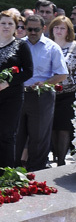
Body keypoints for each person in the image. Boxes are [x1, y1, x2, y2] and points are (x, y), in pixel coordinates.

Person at [0, 10, 33, 178]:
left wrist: (6, 83)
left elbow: (28, 71)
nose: (6, 26)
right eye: (3, 23)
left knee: (7, 135)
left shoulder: (21, 45)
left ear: (16, 26)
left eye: (10, 23)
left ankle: (7, 175)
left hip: (12, 96)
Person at [16, 15, 68, 171]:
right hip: (19, 94)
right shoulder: (17, 45)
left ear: (43, 28)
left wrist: (45, 83)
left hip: (41, 95)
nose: (32, 32)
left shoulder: (52, 47)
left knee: (39, 136)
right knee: (16, 135)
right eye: (29, 29)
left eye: (36, 29)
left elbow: (62, 74)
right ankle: (14, 170)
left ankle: (37, 172)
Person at [47, 16, 76, 166]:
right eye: (56, 27)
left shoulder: (74, 47)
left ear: (68, 30)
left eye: (62, 28)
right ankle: (54, 156)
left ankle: (61, 160)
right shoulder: (47, 45)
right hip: (48, 92)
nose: (59, 31)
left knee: (64, 126)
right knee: (51, 125)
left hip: (68, 93)